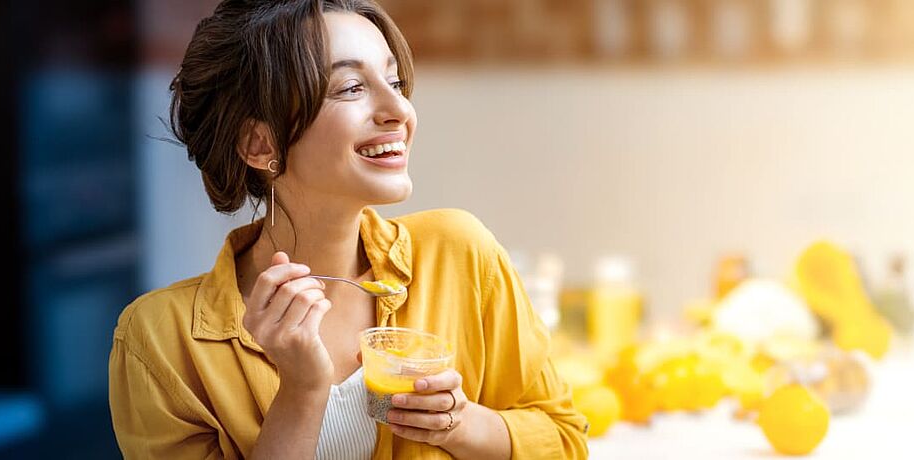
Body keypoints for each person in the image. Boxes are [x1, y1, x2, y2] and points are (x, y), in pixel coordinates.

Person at [109, 1, 588, 458]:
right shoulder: (160, 341)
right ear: (260, 143)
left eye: (395, 82)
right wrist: (301, 390)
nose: (398, 110)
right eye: (351, 88)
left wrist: (459, 422)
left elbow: (564, 439)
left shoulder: (460, 253)